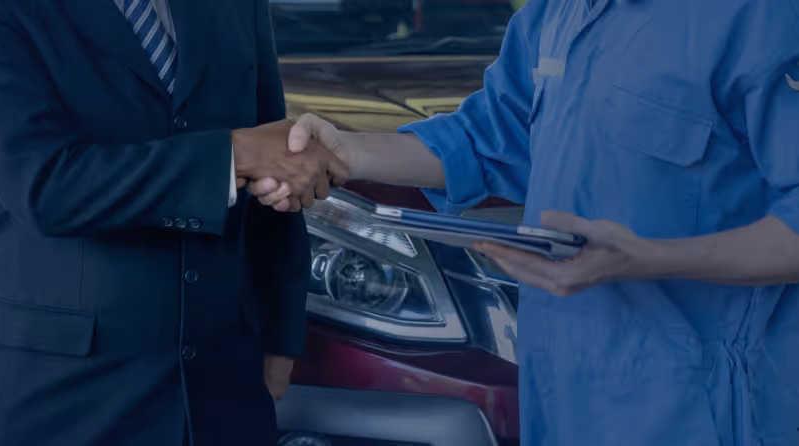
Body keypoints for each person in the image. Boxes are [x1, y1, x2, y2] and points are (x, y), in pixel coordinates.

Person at [251, 0, 799, 444]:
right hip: (560, 393)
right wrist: (347, 152)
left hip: (701, 405)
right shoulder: (556, 14)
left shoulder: (760, 16)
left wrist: (652, 259)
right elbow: (488, 139)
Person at [0, 0, 346, 445]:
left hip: (225, 378)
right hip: (63, 386)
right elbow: (44, 185)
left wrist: (280, 333)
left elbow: (276, 157)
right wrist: (234, 155)